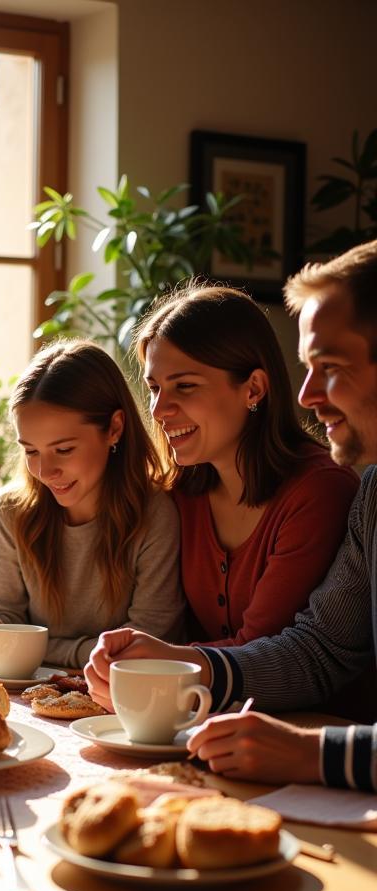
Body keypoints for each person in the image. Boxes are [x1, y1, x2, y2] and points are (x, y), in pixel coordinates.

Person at [86, 239, 377, 792]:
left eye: (331, 367)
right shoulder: (375, 496)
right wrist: (183, 663)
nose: (309, 394)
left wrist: (313, 754)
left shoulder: (329, 489)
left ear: (254, 391)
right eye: (153, 387)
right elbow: (321, 649)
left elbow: (306, 663)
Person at [135, 283, 357, 645]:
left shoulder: (320, 491)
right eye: (155, 388)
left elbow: (259, 648)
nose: (159, 410)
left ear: (253, 389)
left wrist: (156, 661)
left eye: (185, 386)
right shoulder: (176, 494)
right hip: (206, 702)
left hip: (308, 705)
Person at [0, 339, 185, 669]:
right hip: (29, 694)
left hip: (119, 698)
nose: (45, 471)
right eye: (31, 451)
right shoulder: (12, 512)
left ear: (114, 429)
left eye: (63, 450)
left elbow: (145, 645)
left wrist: (27, 645)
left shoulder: (155, 515)